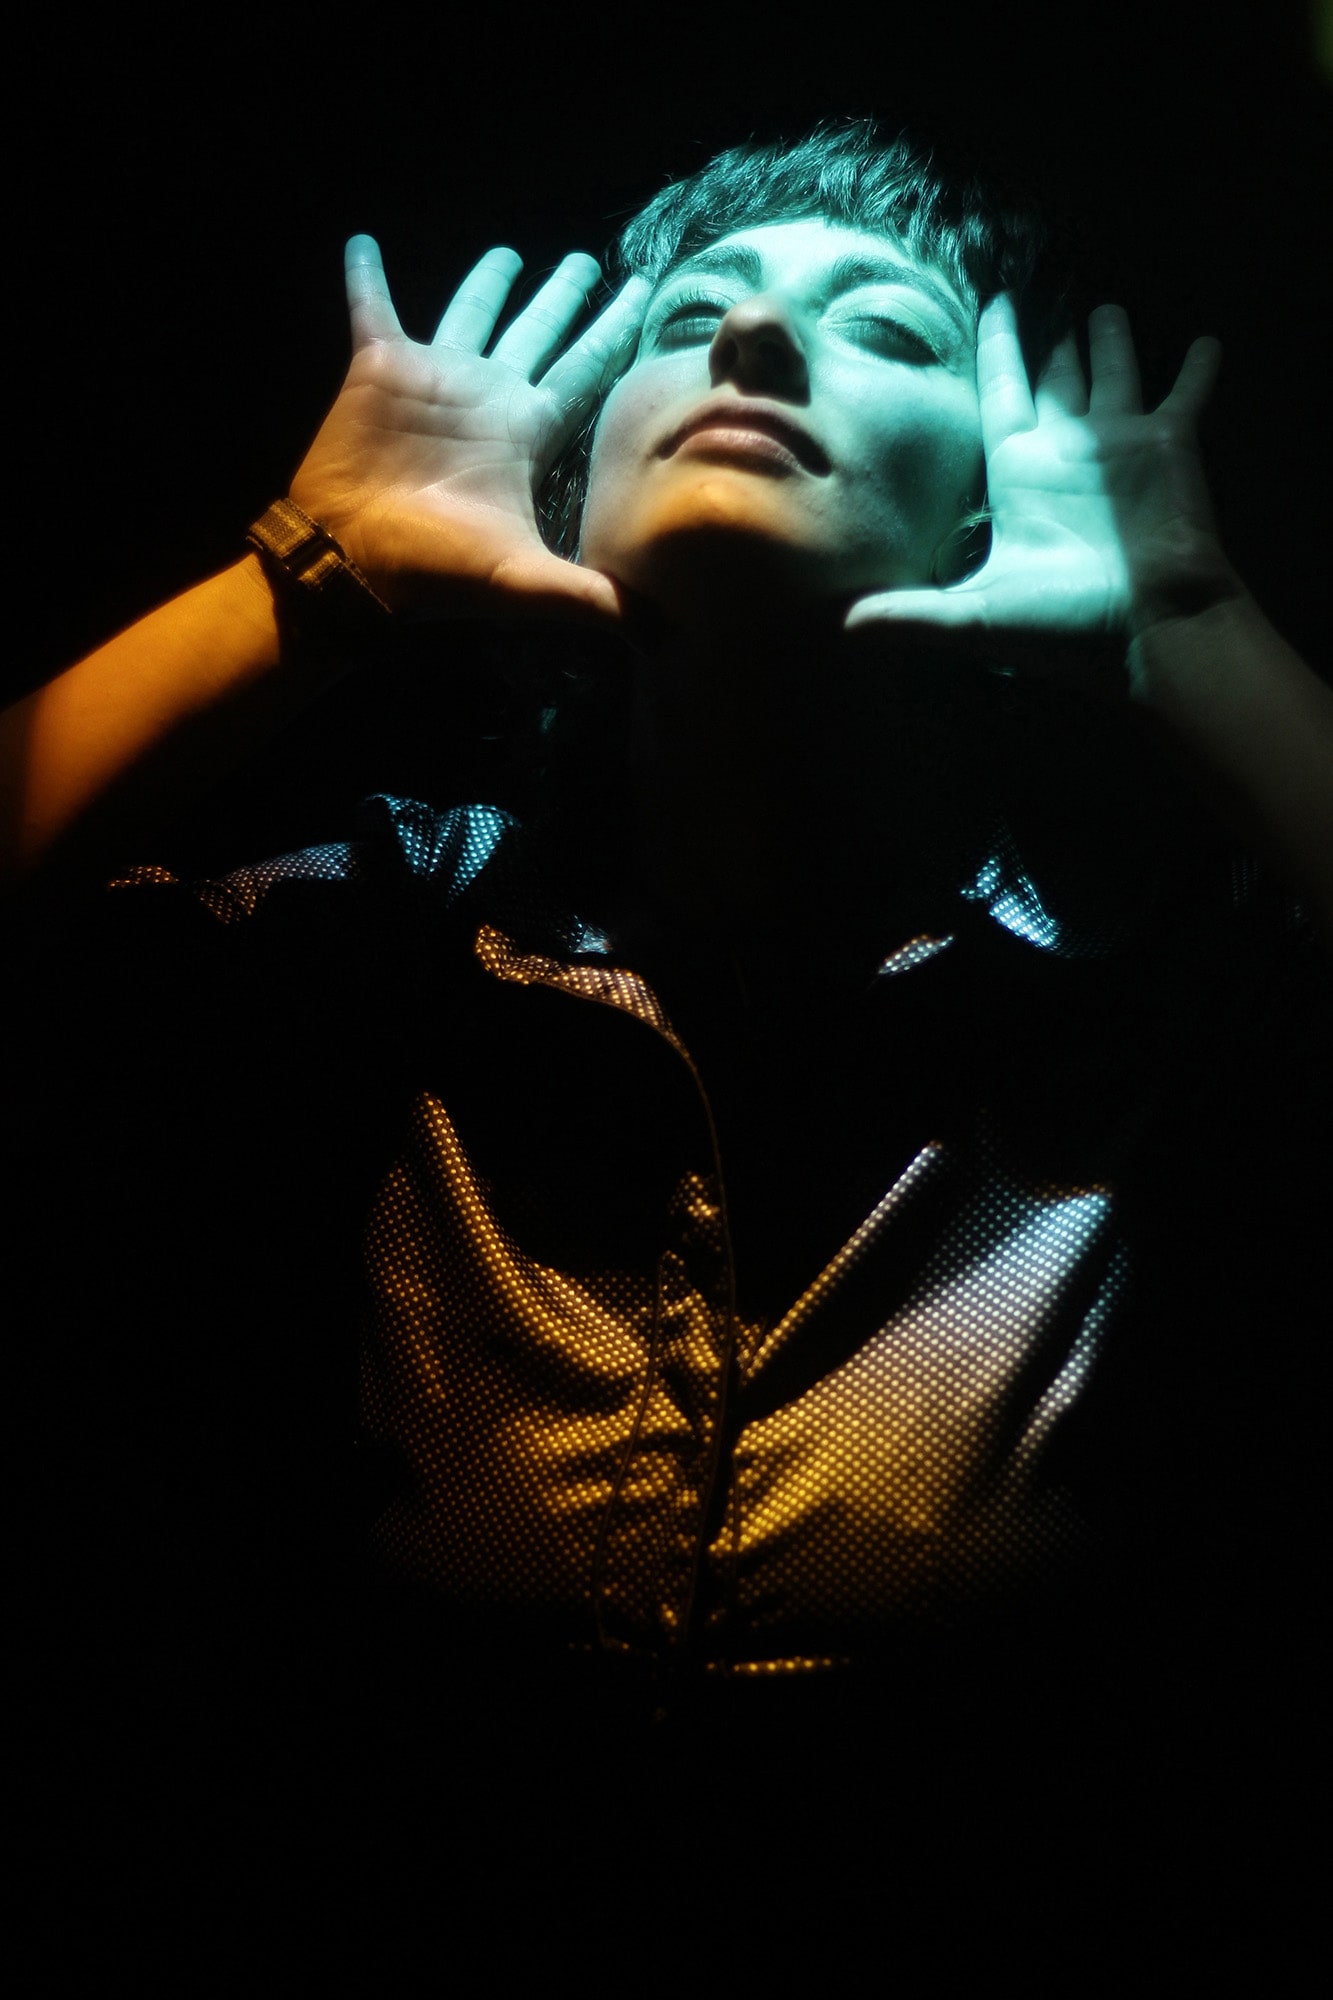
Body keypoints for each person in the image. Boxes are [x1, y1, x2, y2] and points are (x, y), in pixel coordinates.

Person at [7, 121, 1329, 1985]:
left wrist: (1186, 630)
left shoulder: (1155, 1002)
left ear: (996, 504)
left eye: (888, 330)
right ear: (568, 480)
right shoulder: (383, 931)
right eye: (688, 317)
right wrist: (303, 580)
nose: (753, 345)